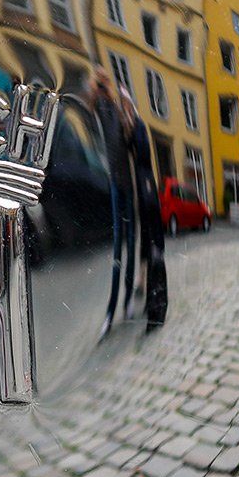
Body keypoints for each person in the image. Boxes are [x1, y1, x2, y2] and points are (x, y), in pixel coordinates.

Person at [119, 84, 169, 331]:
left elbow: (141, 158)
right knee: (148, 250)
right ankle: (152, 303)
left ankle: (156, 309)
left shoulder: (138, 127)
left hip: (146, 194)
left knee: (153, 251)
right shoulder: (132, 130)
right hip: (140, 194)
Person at [92, 69, 136, 336]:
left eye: (103, 83)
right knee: (118, 250)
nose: (101, 88)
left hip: (126, 186)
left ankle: (128, 301)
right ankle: (111, 311)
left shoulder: (119, 114)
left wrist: (125, 108)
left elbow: (130, 141)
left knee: (129, 245)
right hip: (112, 186)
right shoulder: (97, 111)